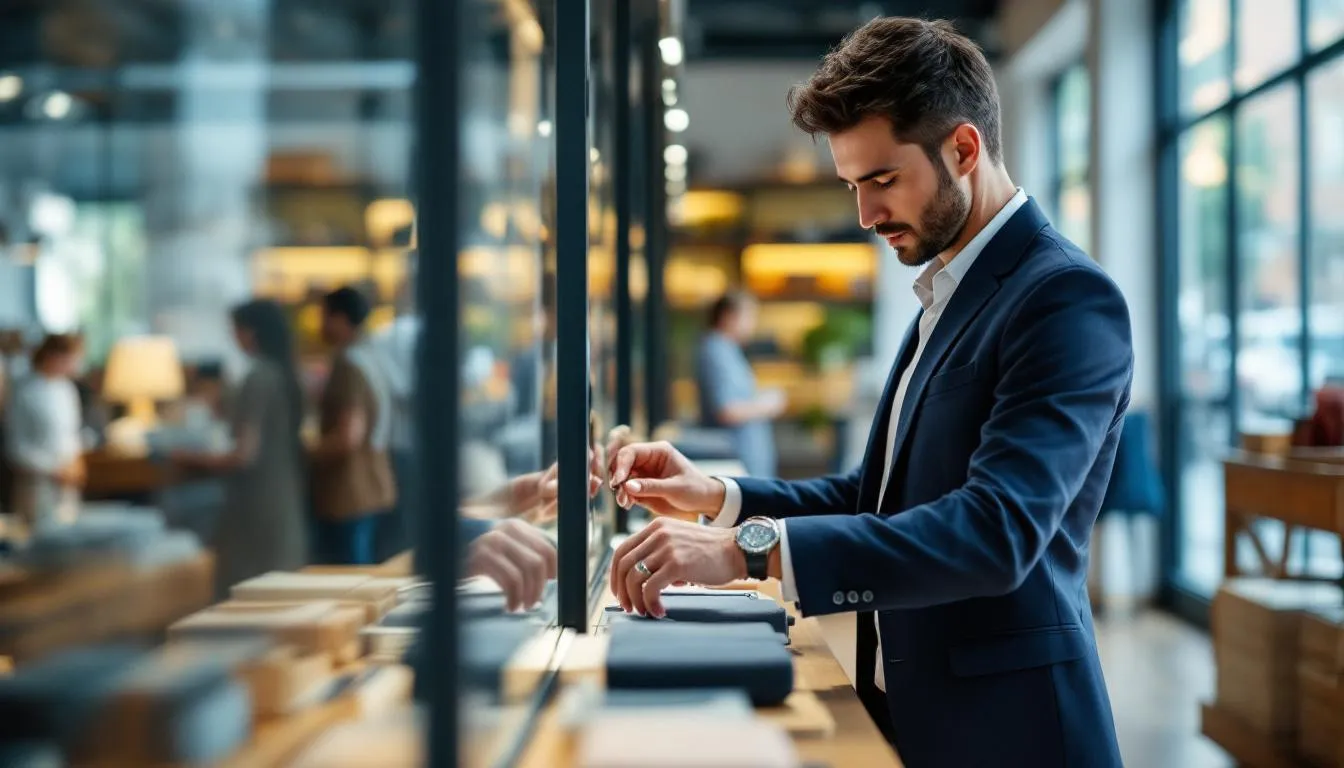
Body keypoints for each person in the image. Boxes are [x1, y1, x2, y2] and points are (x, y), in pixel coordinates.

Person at [605, 17, 1130, 768]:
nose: (866, 215)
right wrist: (716, 496)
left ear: (963, 149)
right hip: (917, 712)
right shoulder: (948, 290)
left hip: (1013, 731)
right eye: (853, 187)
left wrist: (748, 554)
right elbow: (876, 496)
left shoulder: (1065, 298)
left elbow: (997, 532)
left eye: (882, 180)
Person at [172, 300, 309, 595]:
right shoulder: (284, 374)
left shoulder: (259, 377)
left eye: (235, 330)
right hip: (283, 498)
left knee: (249, 593)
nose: (233, 337)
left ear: (251, 332)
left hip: (256, 504)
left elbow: (244, 454)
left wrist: (189, 458)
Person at [310, 286, 396, 565]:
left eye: (324, 316)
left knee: (349, 573)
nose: (321, 324)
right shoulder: (372, 356)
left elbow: (349, 436)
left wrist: (305, 453)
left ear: (340, 319)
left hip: (349, 491)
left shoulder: (350, 363)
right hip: (372, 484)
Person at [696, 292, 785, 477]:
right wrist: (766, 405)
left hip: (747, 459)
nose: (753, 324)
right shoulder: (716, 351)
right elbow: (726, 410)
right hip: (737, 459)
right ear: (728, 316)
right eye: (749, 316)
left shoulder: (728, 349)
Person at [4, 334, 86, 528]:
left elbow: (71, 434)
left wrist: (76, 461)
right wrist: (53, 470)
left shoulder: (66, 389)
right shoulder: (25, 393)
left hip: (68, 482)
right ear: (52, 356)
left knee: (71, 533)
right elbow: (16, 448)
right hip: (37, 483)